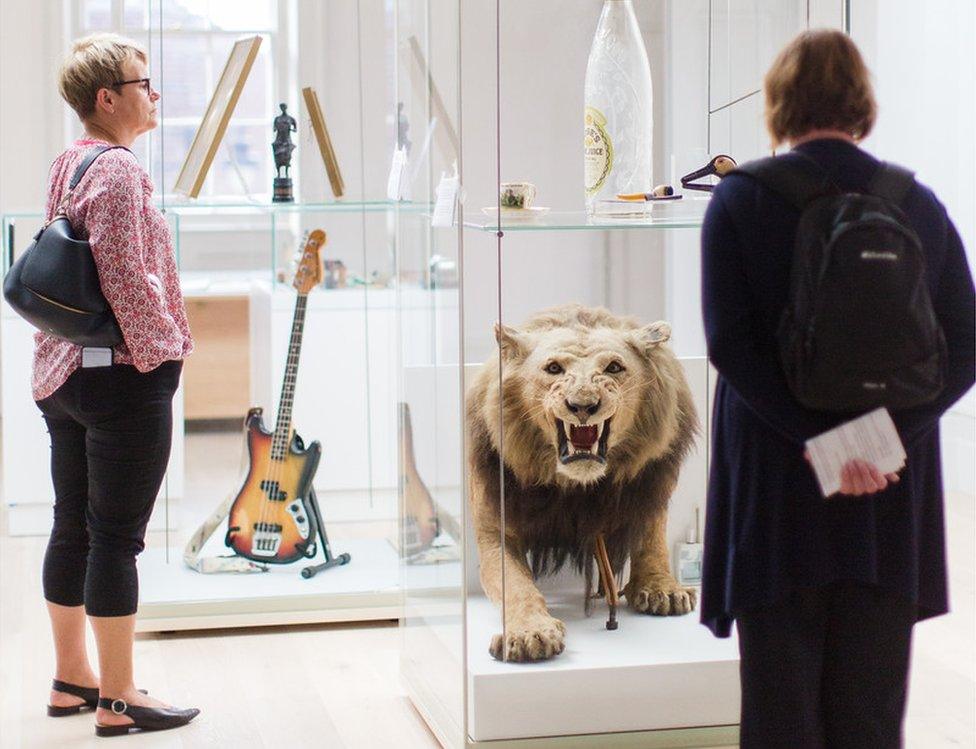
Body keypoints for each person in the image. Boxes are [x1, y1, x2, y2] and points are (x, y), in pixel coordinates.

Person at [699, 29, 975, 748]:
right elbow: (965, 345)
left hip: (779, 495)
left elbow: (730, 345)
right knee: (871, 714)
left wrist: (823, 446)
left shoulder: (738, 202)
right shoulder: (918, 205)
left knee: (780, 715)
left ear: (779, 102)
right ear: (862, 103)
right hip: (889, 492)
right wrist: (874, 443)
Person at [38, 33, 198, 737]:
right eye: (143, 83)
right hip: (121, 383)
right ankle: (121, 695)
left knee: (72, 524)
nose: (154, 93)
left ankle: (73, 678)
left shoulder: (70, 161)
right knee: (116, 539)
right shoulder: (123, 173)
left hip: (64, 375)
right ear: (108, 99)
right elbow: (127, 281)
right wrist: (163, 356)